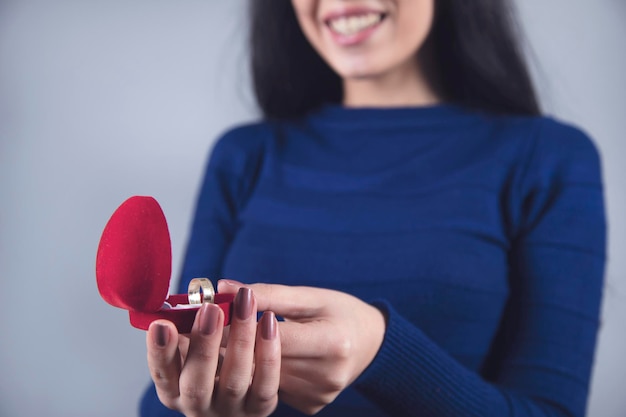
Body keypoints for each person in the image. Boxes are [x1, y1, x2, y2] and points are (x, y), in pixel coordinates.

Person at [140, 1, 606, 416]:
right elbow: (165, 392)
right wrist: (190, 401)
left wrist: (381, 351)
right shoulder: (243, 156)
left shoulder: (549, 158)